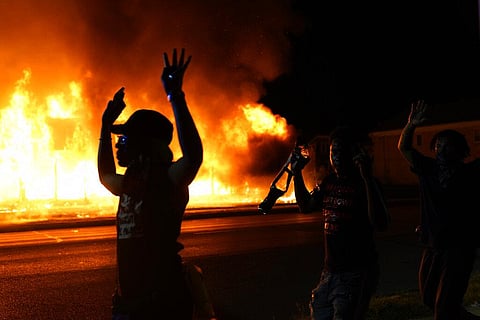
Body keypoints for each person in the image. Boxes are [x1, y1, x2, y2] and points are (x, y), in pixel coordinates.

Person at [98, 48, 204, 319]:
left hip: (163, 303)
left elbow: (193, 157)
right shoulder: (132, 180)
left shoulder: (168, 178)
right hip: (131, 304)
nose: (119, 144)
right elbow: (106, 177)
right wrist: (104, 125)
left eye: (125, 139)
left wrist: (176, 96)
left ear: (146, 143)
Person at [293, 125, 390, 320]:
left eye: (341, 150)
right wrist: (297, 173)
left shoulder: (366, 183)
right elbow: (305, 206)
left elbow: (380, 223)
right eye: (332, 151)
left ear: (354, 154)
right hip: (329, 273)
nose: (335, 156)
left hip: (357, 273)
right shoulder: (330, 182)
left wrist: (367, 179)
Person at [397, 99, 480, 320]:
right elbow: (404, 147)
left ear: (460, 150)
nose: (441, 149)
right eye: (438, 145)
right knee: (428, 298)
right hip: (432, 246)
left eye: (447, 145)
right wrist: (411, 125)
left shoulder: (470, 173)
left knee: (443, 308)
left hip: (459, 249)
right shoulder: (428, 169)